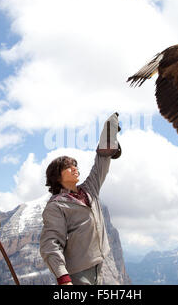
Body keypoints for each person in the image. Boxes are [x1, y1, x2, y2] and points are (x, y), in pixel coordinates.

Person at [40, 113, 121, 285]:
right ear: (57, 176)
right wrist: (63, 277)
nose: (74, 169)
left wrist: (109, 133)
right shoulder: (56, 206)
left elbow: (101, 161)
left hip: (99, 265)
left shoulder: (89, 189)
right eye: (68, 167)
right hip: (77, 273)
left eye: (75, 165)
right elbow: (51, 243)